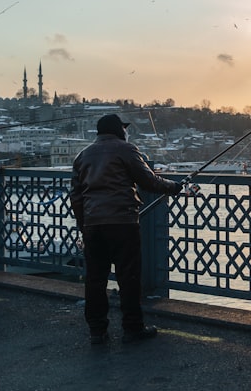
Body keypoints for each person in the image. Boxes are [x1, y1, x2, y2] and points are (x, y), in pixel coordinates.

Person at [70, 114, 186, 345]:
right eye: (124, 128)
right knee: (128, 276)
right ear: (118, 130)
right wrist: (174, 186)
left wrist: (84, 224)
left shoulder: (83, 155)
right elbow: (149, 181)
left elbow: (76, 196)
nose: (126, 132)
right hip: (122, 222)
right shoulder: (126, 149)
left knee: (95, 279)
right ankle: (133, 327)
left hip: (93, 224)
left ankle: (97, 330)